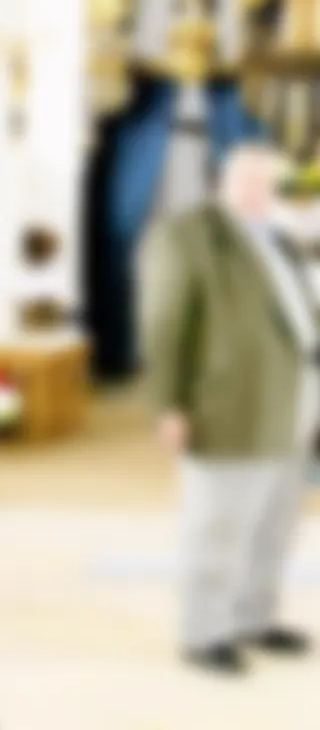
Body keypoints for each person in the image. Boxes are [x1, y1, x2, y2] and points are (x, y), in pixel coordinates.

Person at [140, 141, 317, 675]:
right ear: (224, 182)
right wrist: (169, 403)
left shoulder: (279, 239)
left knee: (274, 523)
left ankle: (252, 618)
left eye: (266, 182)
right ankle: (204, 631)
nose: (257, 191)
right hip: (226, 406)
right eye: (247, 180)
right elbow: (166, 324)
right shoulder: (191, 236)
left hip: (290, 405)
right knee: (219, 523)